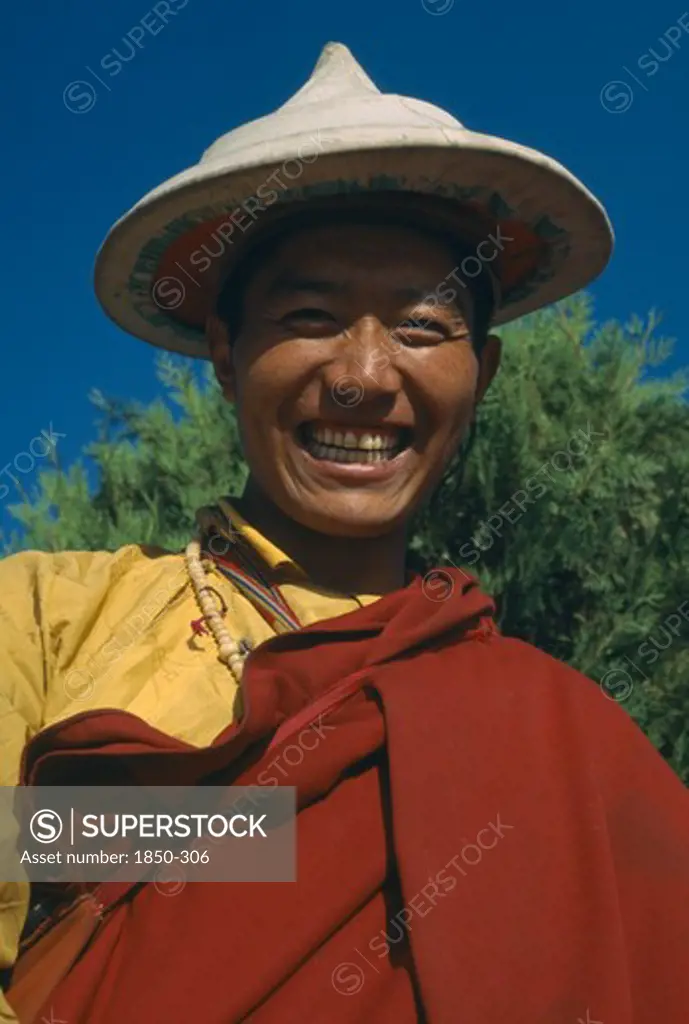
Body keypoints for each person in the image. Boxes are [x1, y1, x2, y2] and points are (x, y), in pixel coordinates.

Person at [1, 40, 688, 1024]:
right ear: (227, 355)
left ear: (481, 376)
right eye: (312, 314)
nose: (364, 374)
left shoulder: (557, 732)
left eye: (419, 327)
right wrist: (257, 838)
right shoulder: (43, 614)